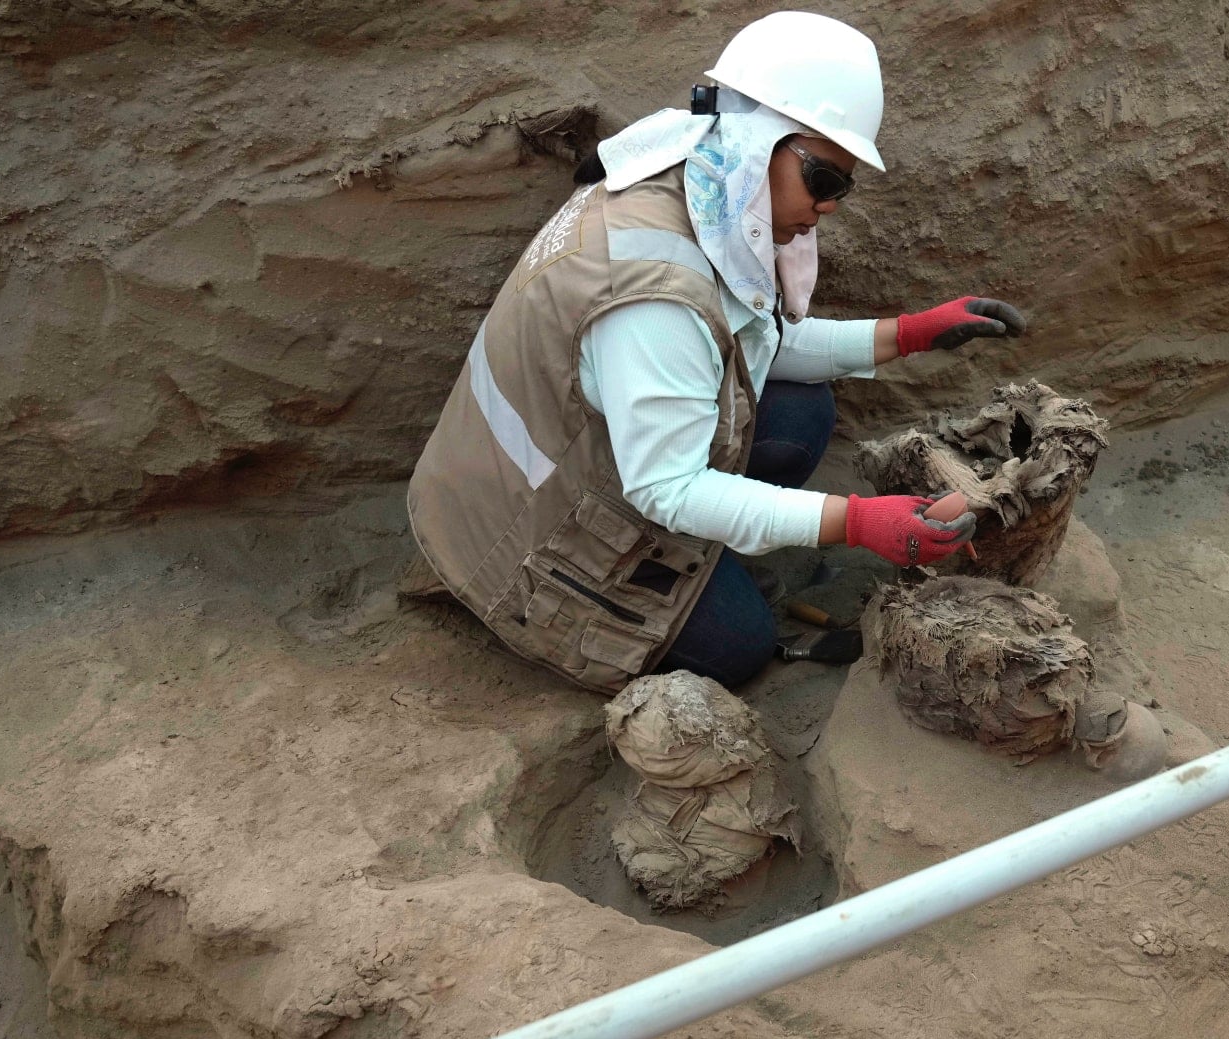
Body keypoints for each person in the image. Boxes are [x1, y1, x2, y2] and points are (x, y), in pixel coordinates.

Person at [407, 11, 1027, 692]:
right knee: (740, 644)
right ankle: (676, 580)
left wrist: (907, 334)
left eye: (842, 187)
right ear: (763, 141)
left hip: (576, 454)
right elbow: (666, 486)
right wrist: (855, 522)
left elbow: (744, 337)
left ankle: (709, 554)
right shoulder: (655, 298)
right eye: (824, 180)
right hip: (519, 535)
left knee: (801, 416)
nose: (829, 207)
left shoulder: (690, 176)